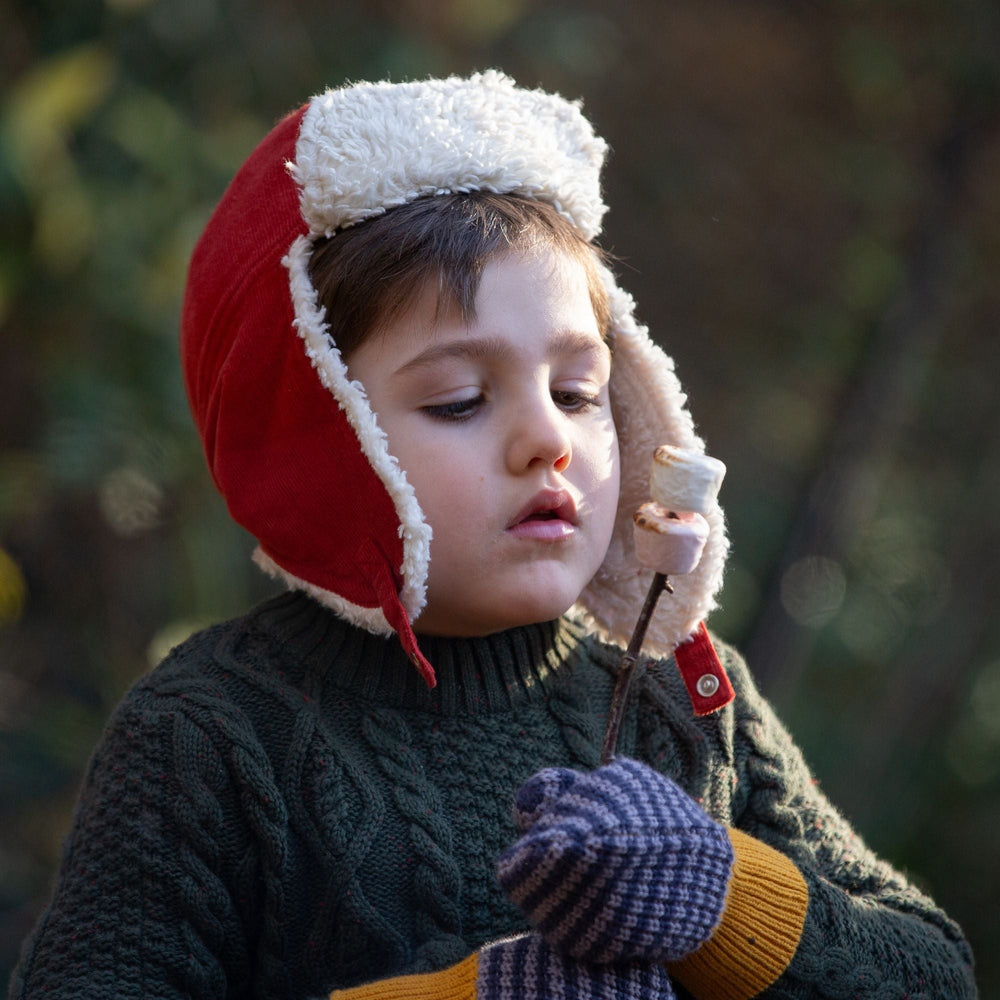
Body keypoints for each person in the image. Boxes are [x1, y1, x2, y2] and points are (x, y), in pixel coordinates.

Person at [9, 71, 976, 1000]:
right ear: (323, 436)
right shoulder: (210, 734)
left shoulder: (683, 691)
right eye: (461, 400)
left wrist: (722, 901)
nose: (547, 440)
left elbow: (934, 973)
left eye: (577, 393)